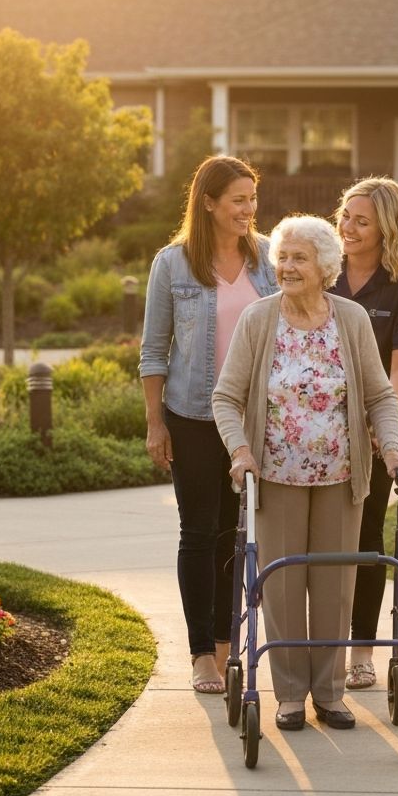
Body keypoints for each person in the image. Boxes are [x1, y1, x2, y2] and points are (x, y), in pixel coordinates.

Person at [212, 214, 398, 732]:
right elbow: (226, 397)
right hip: (275, 474)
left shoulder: (350, 319)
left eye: (299, 257)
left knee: (333, 586)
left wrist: (390, 447)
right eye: (282, 257)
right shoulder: (259, 319)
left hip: (341, 477)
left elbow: (379, 394)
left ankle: (329, 693)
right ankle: (289, 696)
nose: (287, 266)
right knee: (280, 586)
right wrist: (240, 451)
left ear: (325, 266)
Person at [139, 155, 277, 695]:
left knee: (237, 535)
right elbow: (154, 351)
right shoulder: (172, 265)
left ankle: (226, 645)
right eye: (238, 200)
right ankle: (202, 654)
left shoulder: (268, 259)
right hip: (193, 417)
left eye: (252, 199)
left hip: (251, 420)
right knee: (198, 532)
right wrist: (156, 424)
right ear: (209, 202)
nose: (248, 209)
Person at [329, 176, 398, 691]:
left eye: (361, 221)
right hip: (311, 435)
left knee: (365, 543)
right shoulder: (323, 272)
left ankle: (361, 652)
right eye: (345, 215)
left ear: (386, 228)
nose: (347, 227)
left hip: (368, 440)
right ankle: (318, 649)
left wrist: (375, 419)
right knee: (316, 546)